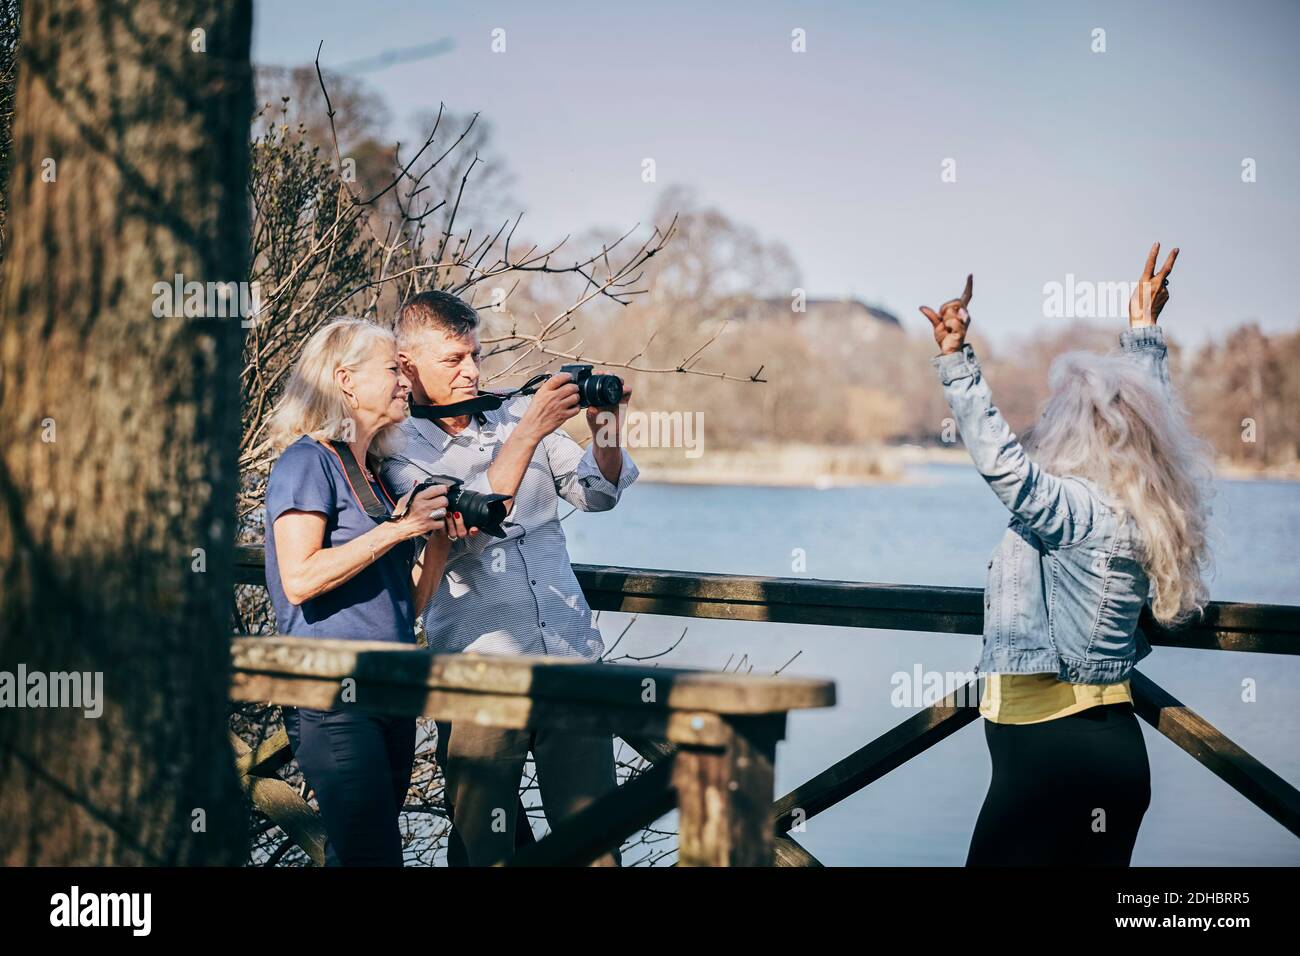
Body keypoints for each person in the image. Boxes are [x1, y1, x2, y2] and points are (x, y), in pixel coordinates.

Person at [920, 244, 1213, 866]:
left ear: (1073, 428)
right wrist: (1144, 335)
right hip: (1114, 760)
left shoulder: (1074, 509)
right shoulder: (1147, 513)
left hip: (1044, 757)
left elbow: (1005, 467)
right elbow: (1146, 420)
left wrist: (956, 364)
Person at [380, 290, 638, 866]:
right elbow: (466, 521)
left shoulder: (515, 413)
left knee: (596, 849)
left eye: (475, 355)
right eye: (453, 360)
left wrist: (606, 425)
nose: (472, 371)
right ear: (406, 365)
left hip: (570, 663)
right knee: (485, 853)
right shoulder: (395, 450)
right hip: (479, 678)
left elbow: (598, 493)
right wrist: (532, 431)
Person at [264, 317, 465, 866]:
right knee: (372, 857)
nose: (406, 380)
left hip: (388, 691)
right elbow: (299, 577)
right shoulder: (307, 461)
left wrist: (438, 539)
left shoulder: (371, 472)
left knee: (361, 854)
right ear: (345, 380)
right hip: (331, 695)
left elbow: (406, 605)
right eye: (393, 369)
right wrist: (398, 529)